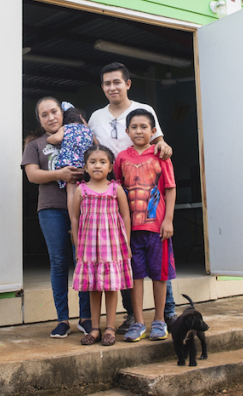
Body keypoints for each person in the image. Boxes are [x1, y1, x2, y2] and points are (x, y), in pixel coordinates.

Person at [88, 62, 177, 332]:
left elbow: (160, 142)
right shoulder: (96, 118)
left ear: (127, 84)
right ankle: (135, 319)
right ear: (103, 87)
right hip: (120, 200)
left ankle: (166, 315)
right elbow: (99, 160)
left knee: (159, 268)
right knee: (129, 265)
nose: (112, 87)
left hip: (153, 208)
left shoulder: (145, 111)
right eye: (107, 83)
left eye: (117, 82)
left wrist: (164, 145)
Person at [21, 96, 92, 338]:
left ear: (62, 114)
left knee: (82, 260)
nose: (51, 117)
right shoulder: (35, 144)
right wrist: (59, 173)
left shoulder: (81, 132)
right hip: (51, 208)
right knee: (60, 261)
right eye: (44, 114)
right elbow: (32, 175)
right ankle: (62, 319)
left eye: (54, 112)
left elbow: (98, 160)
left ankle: (86, 317)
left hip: (84, 208)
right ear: (40, 120)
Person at [114, 109, 176, 342]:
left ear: (153, 131)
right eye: (134, 127)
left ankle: (159, 320)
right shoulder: (121, 158)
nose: (138, 131)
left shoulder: (161, 156)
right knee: (135, 276)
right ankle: (138, 322)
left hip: (157, 229)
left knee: (160, 276)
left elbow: (170, 188)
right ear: (127, 131)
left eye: (144, 127)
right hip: (130, 231)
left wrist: (168, 220)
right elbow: (118, 192)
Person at [70, 144, 133, 346]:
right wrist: (78, 245)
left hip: (112, 246)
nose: (98, 166)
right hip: (89, 247)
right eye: (93, 162)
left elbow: (125, 216)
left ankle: (110, 328)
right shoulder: (81, 190)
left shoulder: (116, 189)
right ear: (86, 167)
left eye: (103, 162)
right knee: (94, 288)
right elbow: (74, 218)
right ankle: (95, 328)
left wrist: (127, 243)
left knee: (111, 287)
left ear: (111, 166)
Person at [46, 104, 93, 210]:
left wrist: (48, 139)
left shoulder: (65, 128)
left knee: (71, 194)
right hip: (86, 166)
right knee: (86, 193)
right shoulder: (88, 131)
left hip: (70, 166)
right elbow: (97, 144)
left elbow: (57, 139)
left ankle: (74, 222)